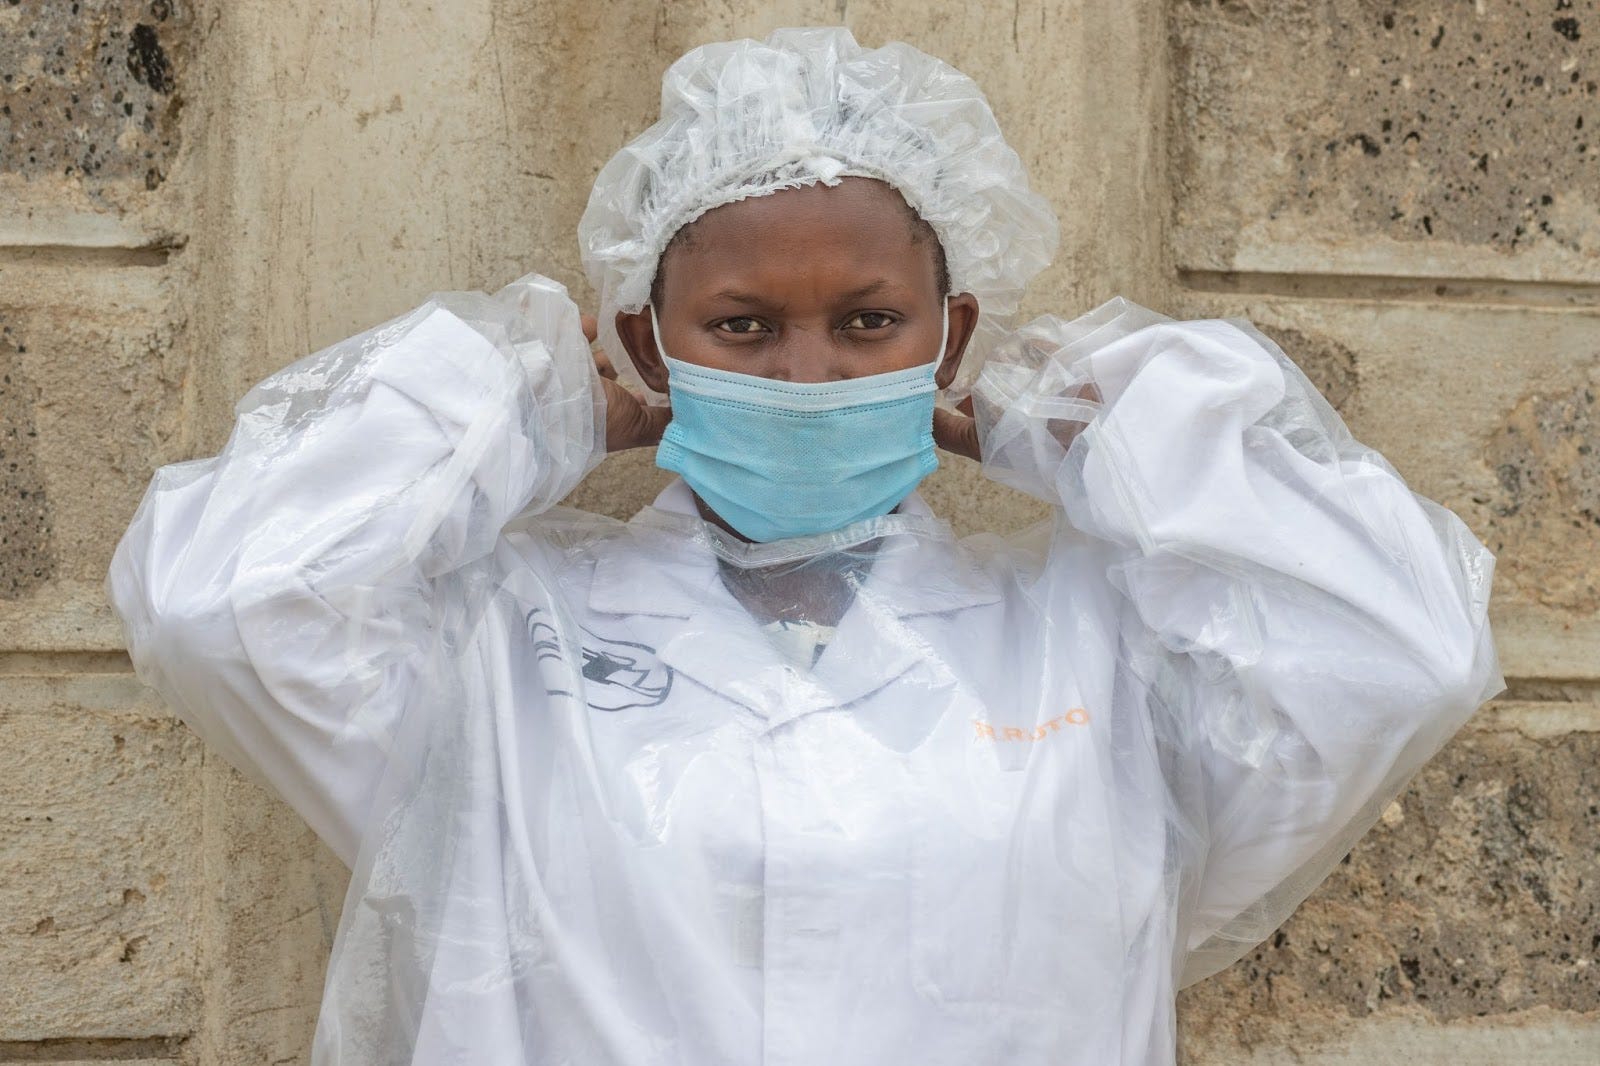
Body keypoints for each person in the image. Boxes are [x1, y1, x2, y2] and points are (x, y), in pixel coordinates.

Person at [106, 27, 1501, 1066]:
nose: (812, 373)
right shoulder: (498, 650)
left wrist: (1071, 424)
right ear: (650, 341)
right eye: (745, 328)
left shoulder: (1094, 649)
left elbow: (1405, 650)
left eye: (869, 322)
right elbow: (217, 597)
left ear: (951, 337)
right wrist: (526, 404)